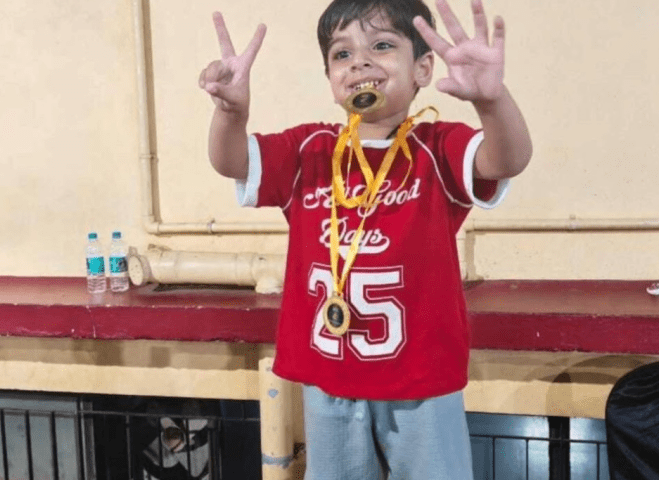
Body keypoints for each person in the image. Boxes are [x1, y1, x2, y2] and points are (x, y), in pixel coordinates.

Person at [199, 0, 531, 478]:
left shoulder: (438, 146)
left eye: (381, 46)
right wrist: (231, 113)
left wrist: (491, 102)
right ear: (330, 77)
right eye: (342, 53)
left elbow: (507, 160)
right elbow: (232, 162)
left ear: (422, 69)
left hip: (422, 382)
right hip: (329, 380)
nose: (359, 62)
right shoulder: (309, 150)